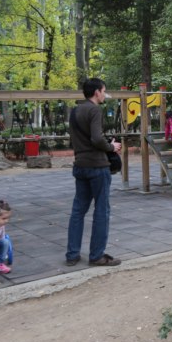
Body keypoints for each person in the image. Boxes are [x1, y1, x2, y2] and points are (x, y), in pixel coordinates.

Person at [66, 78, 122, 267]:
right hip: (97, 167)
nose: (105, 95)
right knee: (101, 211)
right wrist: (112, 147)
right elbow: (97, 138)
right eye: (104, 91)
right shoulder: (95, 110)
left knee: (78, 211)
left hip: (80, 165)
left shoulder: (75, 111)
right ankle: (97, 255)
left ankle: (72, 254)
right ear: (97, 92)